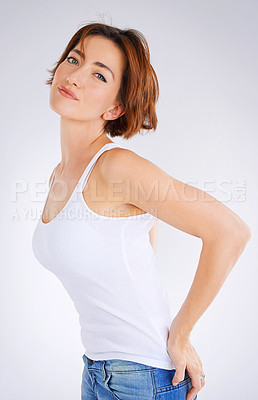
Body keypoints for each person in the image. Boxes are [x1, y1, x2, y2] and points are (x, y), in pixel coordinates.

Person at [32, 22, 251, 400]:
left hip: (143, 376)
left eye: (99, 74)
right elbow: (140, 241)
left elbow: (229, 231)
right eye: (74, 59)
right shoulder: (60, 174)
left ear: (115, 106)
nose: (75, 76)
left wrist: (180, 334)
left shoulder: (116, 166)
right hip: (97, 370)